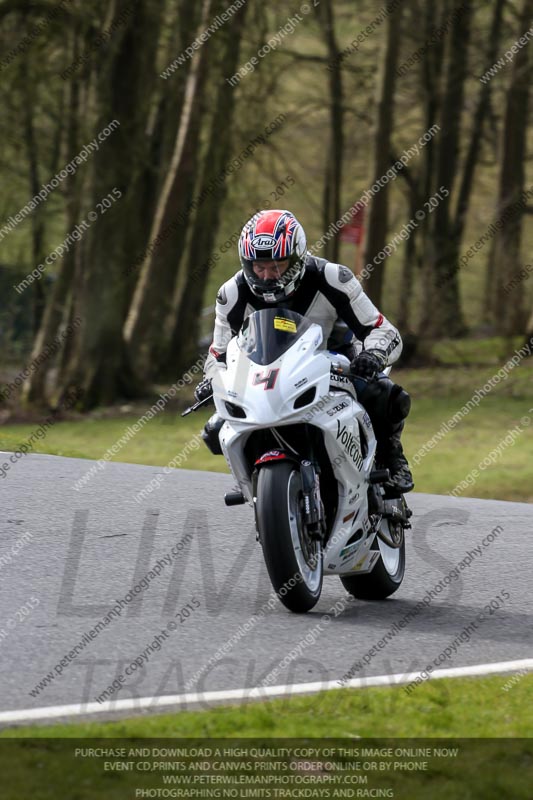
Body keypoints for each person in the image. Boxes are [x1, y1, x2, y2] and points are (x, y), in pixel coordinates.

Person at [194, 209, 414, 495]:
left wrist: (372, 356)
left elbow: (383, 330)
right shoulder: (232, 294)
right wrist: (214, 380)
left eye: (277, 265)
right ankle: (256, 486)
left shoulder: (332, 278)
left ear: (297, 258)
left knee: (385, 395)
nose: (267, 275)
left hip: (336, 362)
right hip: (264, 375)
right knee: (215, 430)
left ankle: (392, 458)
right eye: (258, 266)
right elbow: (218, 354)